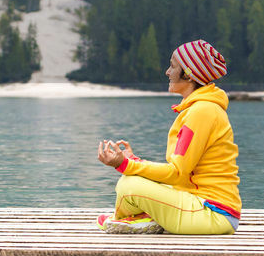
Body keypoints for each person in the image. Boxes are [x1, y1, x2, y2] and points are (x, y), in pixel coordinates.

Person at [96, 39, 241, 235]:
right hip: (199, 204)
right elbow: (181, 175)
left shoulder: (202, 112)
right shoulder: (201, 109)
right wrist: (134, 162)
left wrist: (125, 164)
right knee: (130, 179)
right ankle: (139, 219)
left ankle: (129, 220)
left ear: (189, 74)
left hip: (213, 213)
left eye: (173, 66)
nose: (167, 72)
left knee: (129, 184)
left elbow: (176, 173)